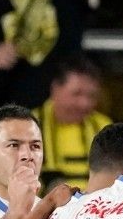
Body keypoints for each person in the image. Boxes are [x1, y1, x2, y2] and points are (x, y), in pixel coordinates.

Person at [34, 59, 111, 190]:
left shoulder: (103, 127)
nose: (84, 103)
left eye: (91, 96)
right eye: (77, 94)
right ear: (55, 89)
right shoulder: (29, 126)